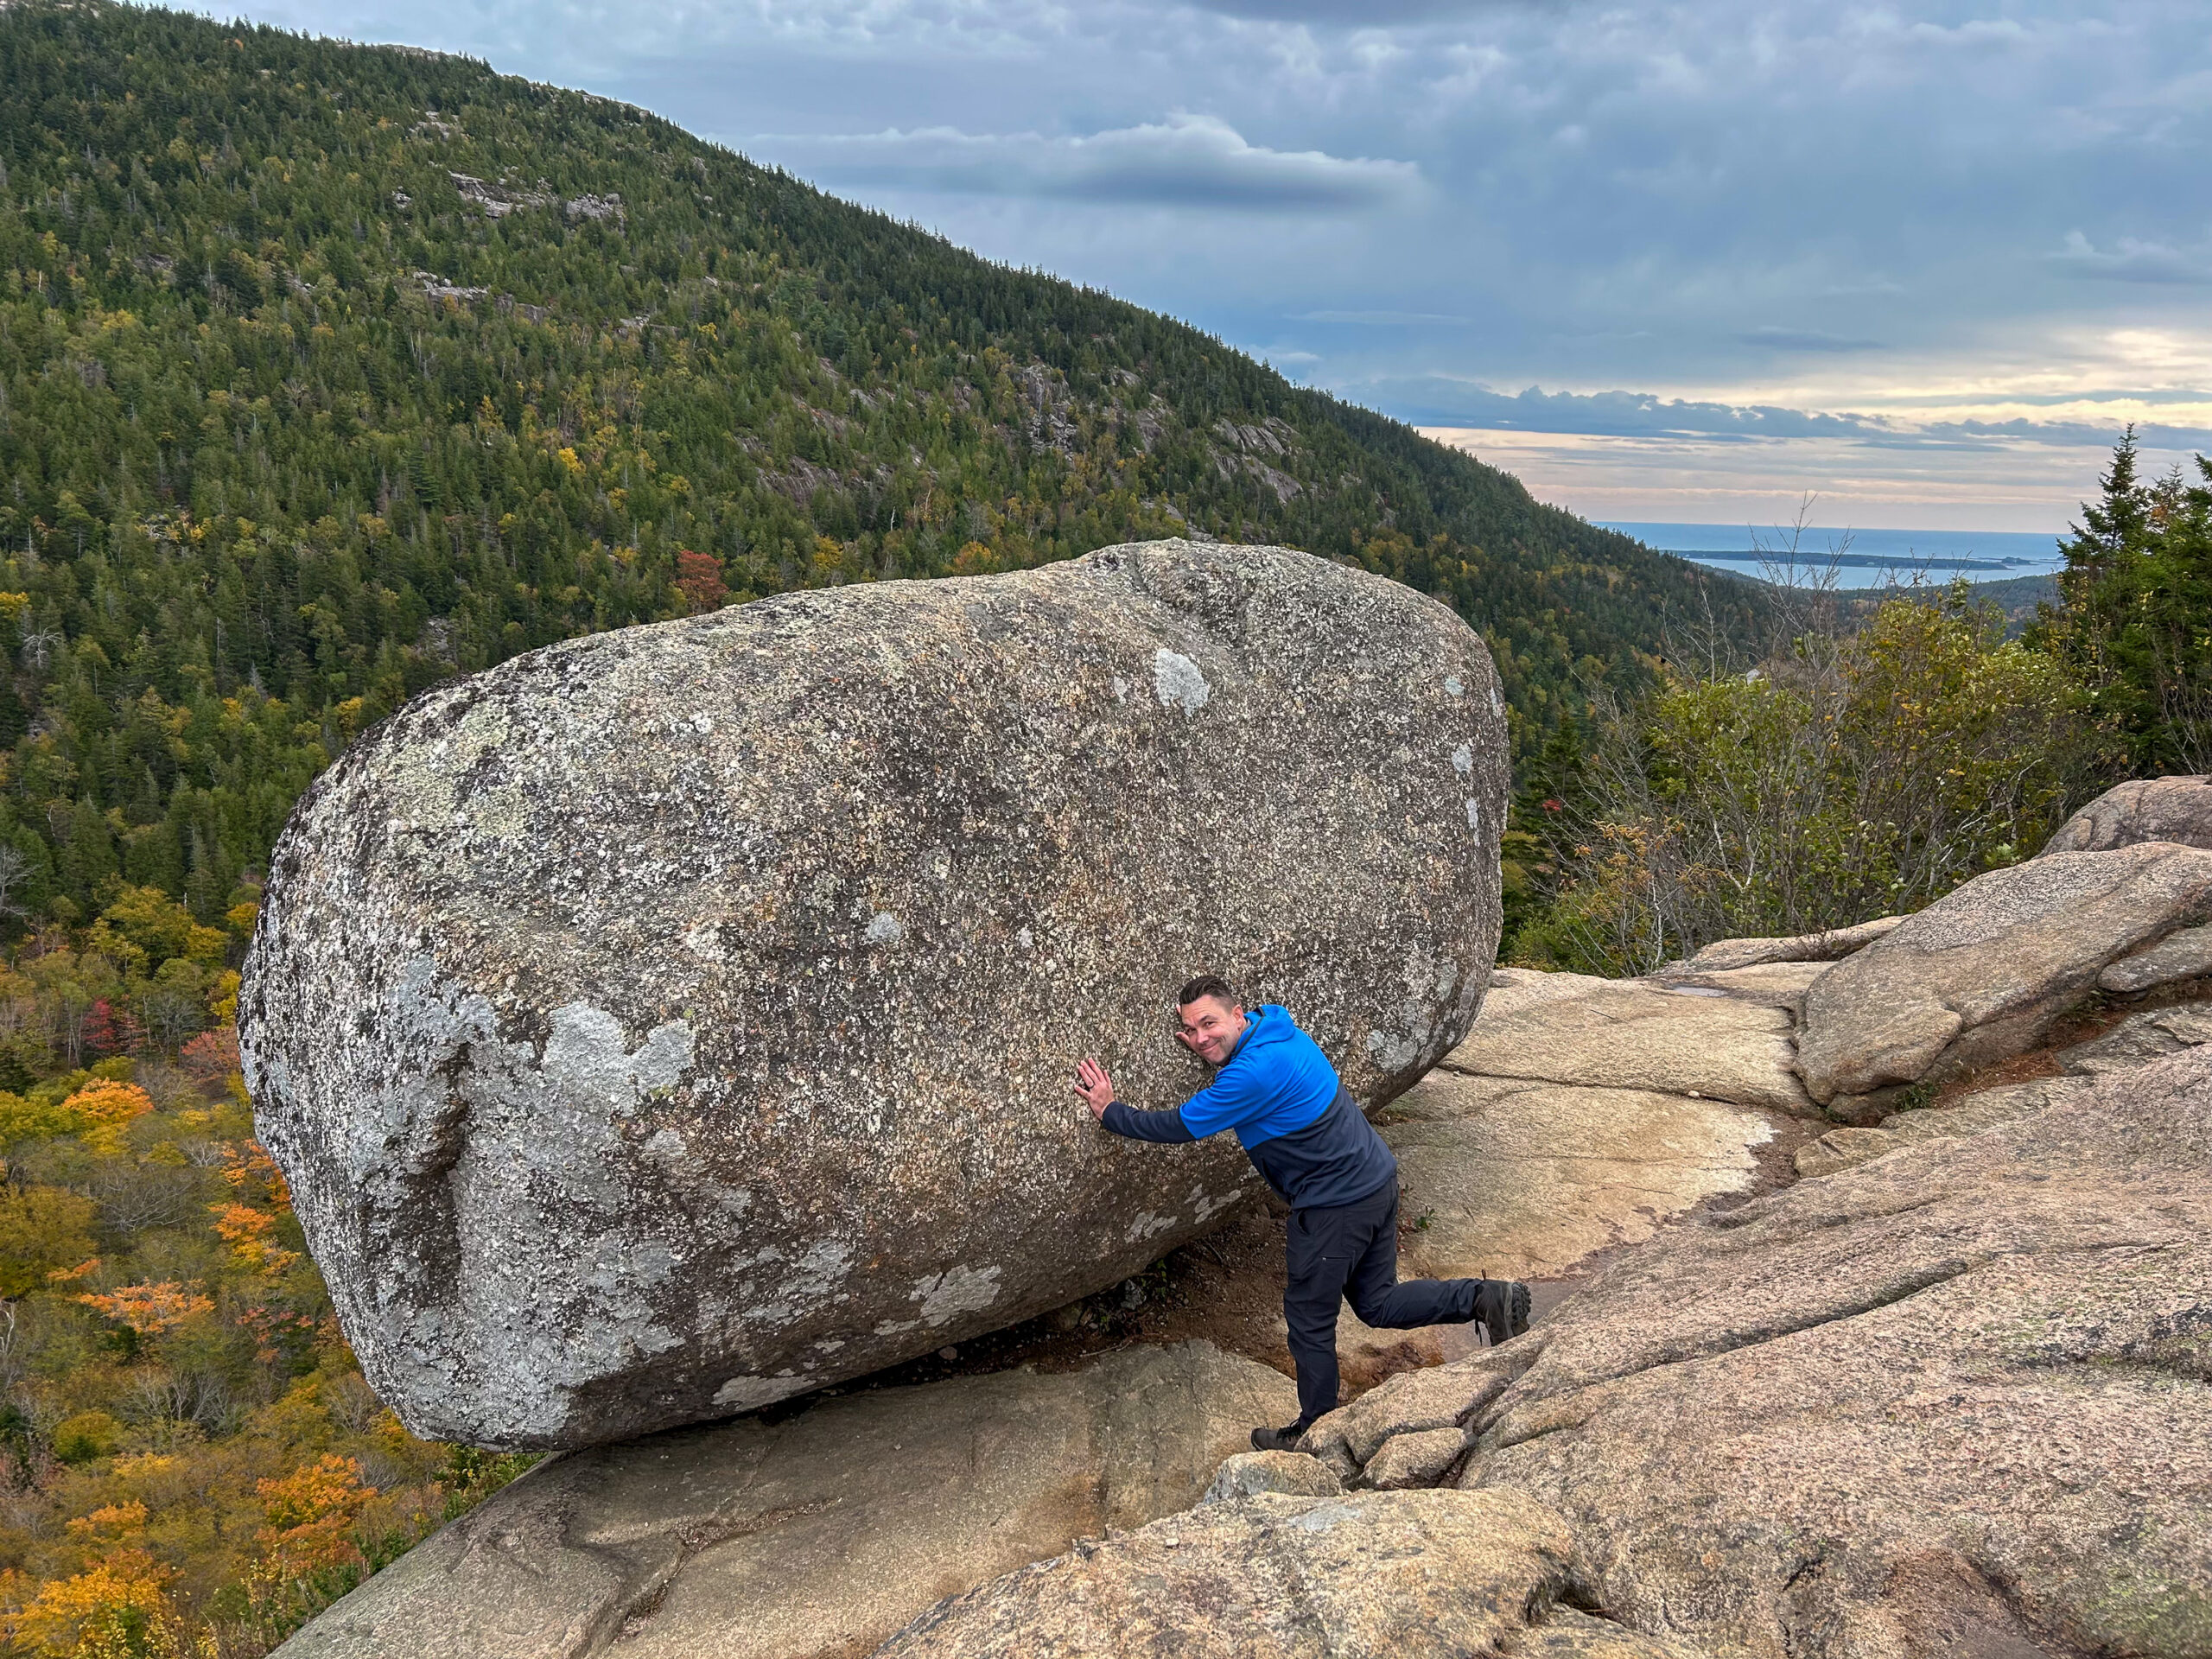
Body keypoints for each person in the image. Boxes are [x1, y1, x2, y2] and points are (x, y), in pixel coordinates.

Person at [1073, 975, 1529, 1451]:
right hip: (1374, 1180)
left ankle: (1317, 1431)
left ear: (1238, 1013)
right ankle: (1488, 1298)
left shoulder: (1251, 1074)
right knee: (1376, 1303)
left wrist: (1110, 1111)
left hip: (1334, 1206)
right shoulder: (1279, 1030)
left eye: (1210, 1023)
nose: (1201, 1037)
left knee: (1309, 1320)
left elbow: (1180, 1125)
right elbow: (1231, 1058)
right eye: (1190, 1030)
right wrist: (1211, 1043)